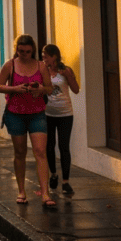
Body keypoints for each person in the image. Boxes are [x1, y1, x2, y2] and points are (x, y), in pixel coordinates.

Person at [0, 34, 54, 208]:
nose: (24, 54)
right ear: (17, 50)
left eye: (28, 51)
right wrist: (14, 88)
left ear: (33, 51)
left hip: (37, 113)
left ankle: (45, 194)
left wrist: (41, 89)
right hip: (15, 113)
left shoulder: (41, 66)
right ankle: (21, 190)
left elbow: (50, 89)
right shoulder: (10, 65)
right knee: (20, 152)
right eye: (21, 51)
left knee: (40, 151)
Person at [43, 44, 80, 196]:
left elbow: (76, 90)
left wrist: (68, 76)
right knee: (49, 146)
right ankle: (53, 174)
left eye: (46, 56)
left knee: (64, 146)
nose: (43, 58)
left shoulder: (66, 71)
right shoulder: (43, 71)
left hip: (65, 114)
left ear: (54, 57)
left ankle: (65, 182)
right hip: (48, 114)